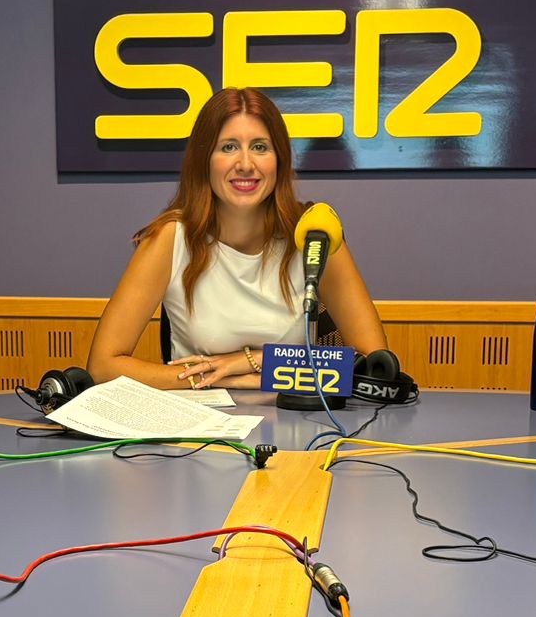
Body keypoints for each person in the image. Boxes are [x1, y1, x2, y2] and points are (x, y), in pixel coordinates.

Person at [87, 86, 387, 390]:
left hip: (294, 415)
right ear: (205, 160)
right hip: (198, 414)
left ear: (279, 159)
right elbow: (103, 366)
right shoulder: (170, 239)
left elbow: (377, 366)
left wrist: (258, 363)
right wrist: (216, 377)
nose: (245, 164)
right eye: (228, 147)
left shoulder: (313, 235)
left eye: (260, 147)